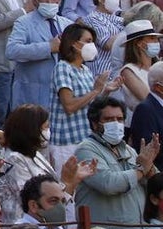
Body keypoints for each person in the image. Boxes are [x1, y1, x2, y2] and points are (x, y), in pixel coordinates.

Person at [74, 97, 160, 229]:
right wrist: (142, 169)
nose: (116, 123)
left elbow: (154, 186)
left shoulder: (129, 150)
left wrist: (150, 169)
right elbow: (108, 183)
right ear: (95, 124)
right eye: (109, 119)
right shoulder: (86, 149)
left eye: (119, 119)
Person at [50, 22, 121, 172]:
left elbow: (90, 103)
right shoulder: (63, 67)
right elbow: (69, 106)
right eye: (88, 41)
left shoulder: (85, 70)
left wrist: (105, 90)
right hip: (67, 142)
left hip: (85, 138)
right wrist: (95, 90)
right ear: (74, 44)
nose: (92, 45)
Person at [120, 21, 160, 122]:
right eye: (152, 38)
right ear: (139, 43)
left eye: (157, 38)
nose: (157, 42)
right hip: (143, 122)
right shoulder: (128, 71)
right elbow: (148, 98)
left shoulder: (158, 67)